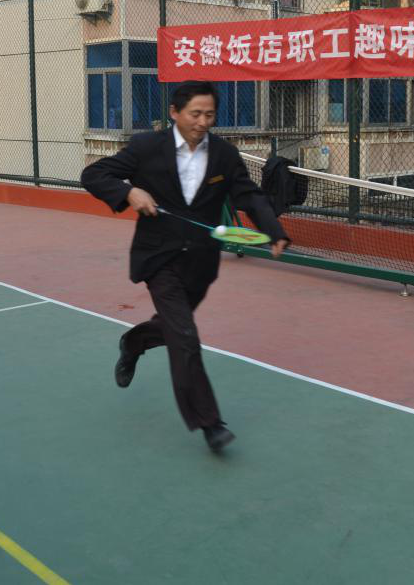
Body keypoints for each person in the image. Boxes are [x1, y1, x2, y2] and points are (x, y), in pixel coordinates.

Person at [81, 81, 289, 452]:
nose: (203, 121)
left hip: (201, 263)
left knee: (173, 328)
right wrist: (129, 191)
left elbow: (250, 196)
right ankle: (210, 423)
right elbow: (94, 175)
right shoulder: (146, 147)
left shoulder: (224, 155)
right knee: (185, 338)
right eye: (195, 113)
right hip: (159, 258)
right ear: (175, 113)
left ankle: (133, 343)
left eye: (209, 114)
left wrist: (273, 230)